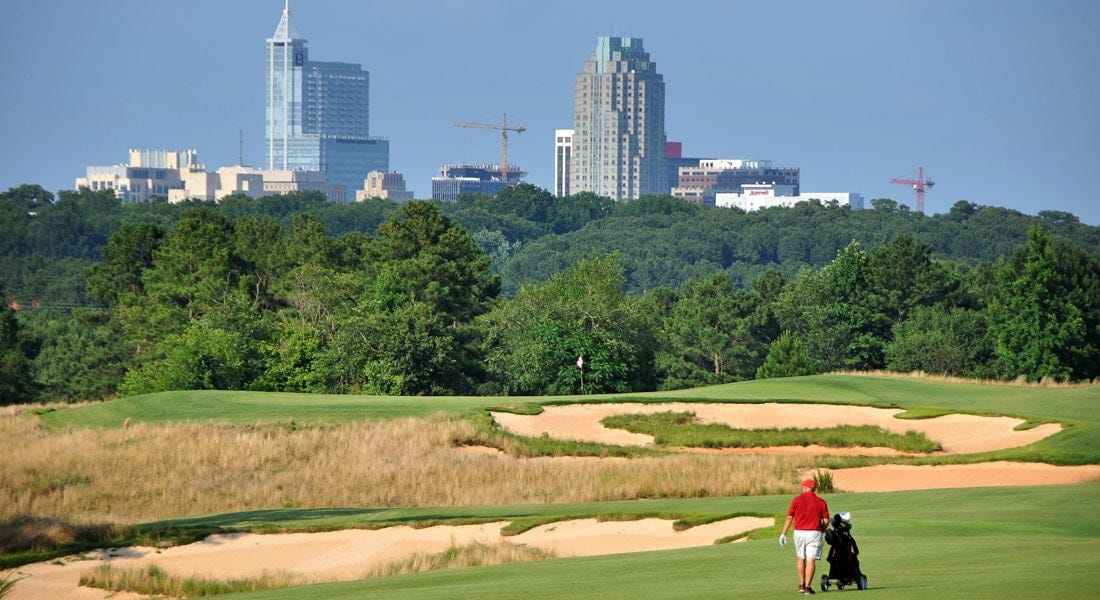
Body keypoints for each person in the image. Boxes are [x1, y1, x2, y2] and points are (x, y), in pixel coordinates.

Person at [779, 478, 830, 594]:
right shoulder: (821, 501)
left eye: (803, 487)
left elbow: (789, 518)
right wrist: (822, 530)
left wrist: (783, 534)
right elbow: (826, 521)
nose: (802, 488)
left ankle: (801, 585)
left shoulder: (796, 500)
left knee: (800, 557)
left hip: (799, 533)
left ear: (807, 488)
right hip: (814, 533)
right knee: (811, 559)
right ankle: (808, 587)